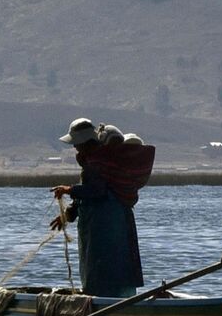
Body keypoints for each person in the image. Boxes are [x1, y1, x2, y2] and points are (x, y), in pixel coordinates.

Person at [49, 118, 154, 298]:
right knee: (116, 266)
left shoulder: (97, 162)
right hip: (113, 224)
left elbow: (97, 190)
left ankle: (105, 304)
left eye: (76, 144)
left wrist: (69, 189)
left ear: (84, 142)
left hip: (104, 228)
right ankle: (119, 301)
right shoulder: (99, 161)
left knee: (103, 267)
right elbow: (88, 194)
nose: (75, 148)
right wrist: (67, 215)